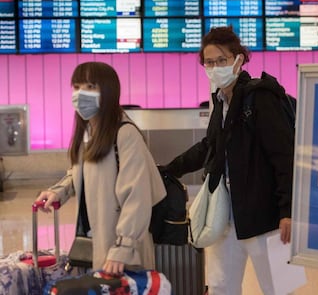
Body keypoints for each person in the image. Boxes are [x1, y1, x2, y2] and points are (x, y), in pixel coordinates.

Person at [163, 26, 294, 294]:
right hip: (226, 216)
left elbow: (284, 156)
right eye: (209, 62)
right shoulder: (221, 101)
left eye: (221, 60)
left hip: (265, 217)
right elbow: (209, 147)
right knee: (222, 286)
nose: (214, 67)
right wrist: (168, 169)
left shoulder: (261, 97)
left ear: (238, 59)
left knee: (279, 289)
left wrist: (288, 211)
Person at [35, 61, 166, 275]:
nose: (80, 94)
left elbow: (137, 197)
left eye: (90, 87)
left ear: (108, 91)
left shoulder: (125, 134)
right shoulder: (88, 133)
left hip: (123, 250)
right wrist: (59, 191)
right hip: (95, 240)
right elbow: (81, 172)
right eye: (77, 87)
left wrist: (123, 248)